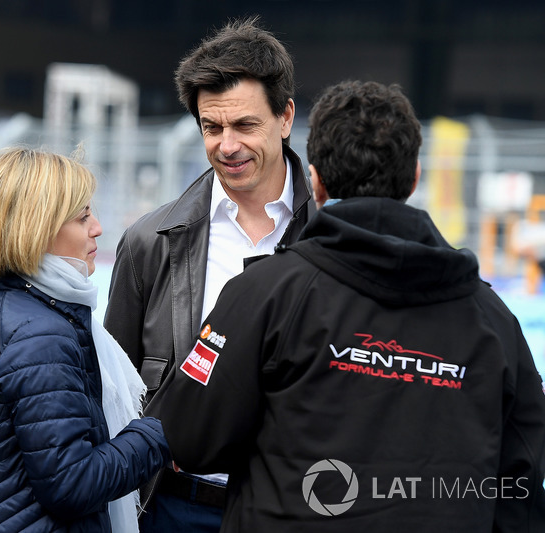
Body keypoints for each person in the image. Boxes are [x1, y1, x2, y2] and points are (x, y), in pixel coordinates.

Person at [150, 80, 545, 532]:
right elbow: (522, 484)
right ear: (415, 178)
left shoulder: (264, 294)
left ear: (314, 179)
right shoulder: (495, 321)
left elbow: (189, 437)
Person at [104, 17, 315, 531]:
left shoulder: (330, 239)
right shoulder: (148, 244)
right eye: (211, 127)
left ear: (285, 117)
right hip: (170, 504)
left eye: (245, 125)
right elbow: (112, 392)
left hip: (291, 507)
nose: (227, 145)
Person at [0, 147, 172, 533]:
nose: (97, 227)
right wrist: (158, 433)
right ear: (37, 228)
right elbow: (72, 484)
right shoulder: (40, 332)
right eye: (83, 217)